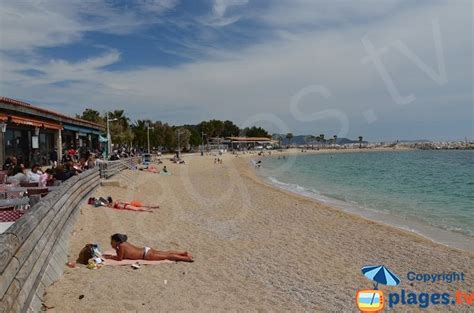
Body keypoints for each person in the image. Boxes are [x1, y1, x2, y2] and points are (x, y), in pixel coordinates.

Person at [107, 234, 193, 262]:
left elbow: (119, 259)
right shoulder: (124, 243)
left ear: (116, 241)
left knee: (167, 256)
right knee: (166, 252)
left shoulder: (120, 247)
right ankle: (183, 253)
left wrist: (111, 255)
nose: (111, 243)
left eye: (112, 242)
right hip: (146, 250)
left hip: (146, 255)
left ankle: (186, 258)